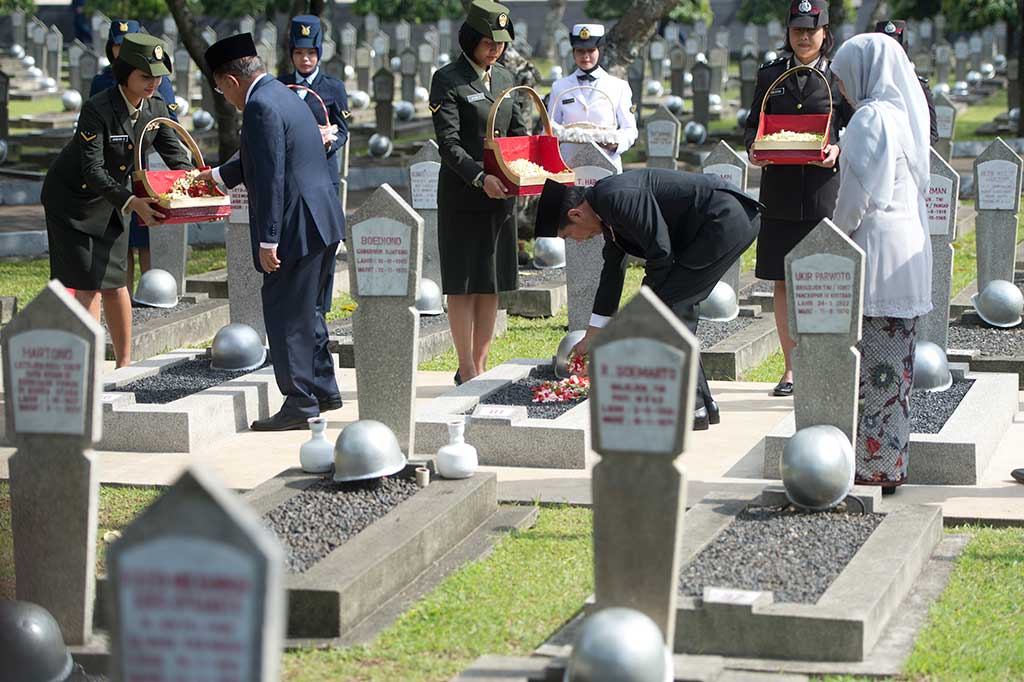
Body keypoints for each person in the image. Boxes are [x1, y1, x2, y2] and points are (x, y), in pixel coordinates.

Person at [535, 170, 762, 430]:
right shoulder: (604, 207)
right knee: (673, 310)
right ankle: (702, 406)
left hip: (725, 220)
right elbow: (611, 272)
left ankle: (692, 407)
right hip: (717, 225)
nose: (577, 241)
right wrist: (592, 335)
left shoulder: (616, 198)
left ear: (575, 215)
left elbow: (661, 253)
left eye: (568, 236)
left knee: (670, 309)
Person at [198, 33, 345, 431]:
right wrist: (210, 178)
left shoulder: (260, 105)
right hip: (322, 219)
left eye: (220, 90)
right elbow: (257, 158)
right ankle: (324, 389)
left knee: (285, 313)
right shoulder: (281, 93)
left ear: (230, 81)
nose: (225, 98)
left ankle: (299, 401)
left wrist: (269, 239)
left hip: (295, 225)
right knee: (309, 310)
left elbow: (271, 176)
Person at [42, 34, 192, 368]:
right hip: (74, 203)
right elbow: (92, 169)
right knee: (88, 285)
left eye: (157, 76)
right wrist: (131, 202)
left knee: (114, 282)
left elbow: (176, 156)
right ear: (125, 74)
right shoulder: (97, 108)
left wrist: (198, 187)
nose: (153, 83)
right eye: (145, 76)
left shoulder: (155, 109)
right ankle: (89, 365)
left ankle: (124, 364)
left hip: (115, 201)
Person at [831, 33, 933, 494]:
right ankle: (889, 462)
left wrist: (833, 237)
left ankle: (873, 465)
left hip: (876, 251)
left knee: (877, 363)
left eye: (845, 78)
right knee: (895, 366)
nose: (844, 90)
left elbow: (857, 196)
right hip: (906, 248)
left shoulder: (871, 119)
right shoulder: (903, 113)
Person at [744, 0, 855, 398]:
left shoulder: (840, 76)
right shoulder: (772, 75)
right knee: (782, 279)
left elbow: (853, 126)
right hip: (780, 191)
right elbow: (753, 123)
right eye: (797, 30)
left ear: (826, 32)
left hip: (825, 191)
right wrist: (753, 149)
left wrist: (838, 151)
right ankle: (791, 369)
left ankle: (829, 363)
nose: (804, 37)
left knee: (827, 275)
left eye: (811, 30)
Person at [429, 0, 528, 385]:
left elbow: (518, 132)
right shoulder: (448, 79)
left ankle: (480, 363)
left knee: (491, 281)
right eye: (488, 42)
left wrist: (521, 169)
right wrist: (478, 177)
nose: (495, 50)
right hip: (463, 194)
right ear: (470, 39)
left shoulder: (504, 79)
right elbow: (449, 143)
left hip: (501, 194)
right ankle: (465, 366)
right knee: (463, 283)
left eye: (501, 44)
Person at [90, 19, 181, 294]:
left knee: (145, 238)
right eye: (118, 45)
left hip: (146, 167)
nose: (122, 50)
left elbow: (167, 130)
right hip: (110, 174)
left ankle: (150, 294)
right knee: (122, 243)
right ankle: (125, 297)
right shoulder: (102, 83)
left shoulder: (154, 84)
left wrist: (197, 183)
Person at [547, 24, 638, 171]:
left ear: (600, 50)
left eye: (591, 50)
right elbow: (550, 128)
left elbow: (630, 129)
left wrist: (615, 144)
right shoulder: (560, 87)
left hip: (607, 164)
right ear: (573, 52)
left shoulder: (618, 86)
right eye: (580, 51)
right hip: (569, 165)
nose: (585, 56)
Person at [279, 15, 350, 189]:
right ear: (291, 54)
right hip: (288, 174)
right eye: (299, 53)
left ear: (319, 53)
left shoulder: (334, 87)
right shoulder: (280, 86)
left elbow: (342, 130)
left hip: (323, 173)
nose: (305, 59)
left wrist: (328, 143)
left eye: (311, 52)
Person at [874, 19, 939, 144]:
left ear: (904, 47)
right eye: (884, 47)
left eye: (894, 47)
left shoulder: (919, 87)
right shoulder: (866, 87)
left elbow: (932, 135)